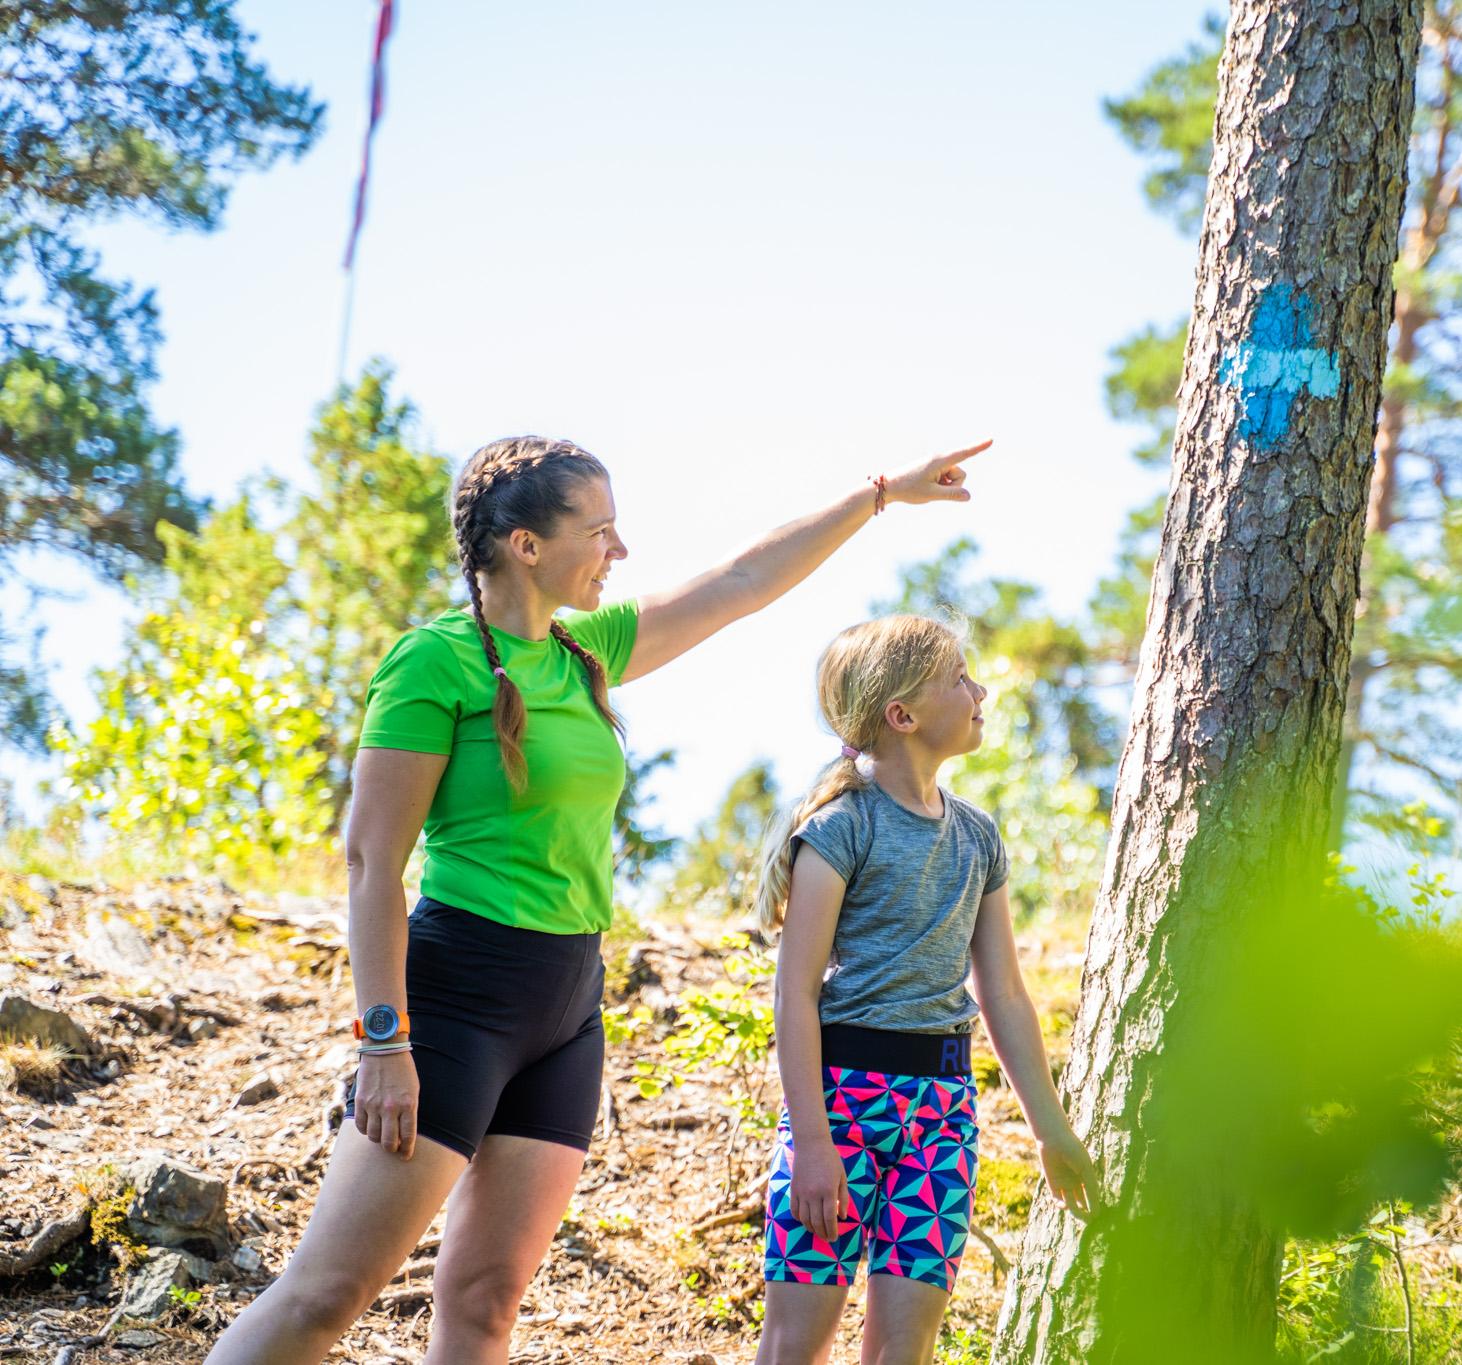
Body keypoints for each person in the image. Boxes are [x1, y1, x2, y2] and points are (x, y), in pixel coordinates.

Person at [204, 434, 990, 1365]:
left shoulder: (590, 650)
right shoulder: (434, 662)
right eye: (600, 530)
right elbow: (373, 862)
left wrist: (880, 496)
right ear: (527, 545)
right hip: (458, 991)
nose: (618, 551)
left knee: (487, 1299)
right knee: (326, 1297)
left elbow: (741, 580)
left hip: (567, 1001)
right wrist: (385, 1039)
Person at [751, 615, 1099, 1365]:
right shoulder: (842, 827)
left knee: (905, 1350)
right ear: (901, 715)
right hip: (840, 1107)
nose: (979, 690)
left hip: (942, 1114)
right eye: (960, 678)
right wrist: (812, 1142)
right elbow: (795, 994)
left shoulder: (978, 836)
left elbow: (1003, 992)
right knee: (795, 1345)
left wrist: (1048, 1127)